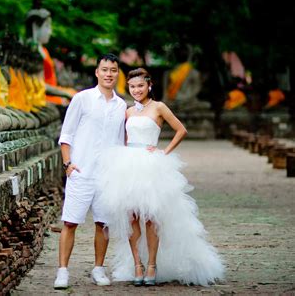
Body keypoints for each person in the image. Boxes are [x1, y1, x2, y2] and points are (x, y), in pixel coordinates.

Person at [95, 68, 224, 286]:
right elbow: (124, 138)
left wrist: (164, 151)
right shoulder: (127, 111)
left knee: (151, 217)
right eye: (132, 86)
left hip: (151, 163)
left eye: (140, 86)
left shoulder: (159, 107)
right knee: (131, 217)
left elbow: (181, 130)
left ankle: (152, 265)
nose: (136, 90)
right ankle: (137, 264)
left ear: (149, 86)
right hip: (128, 165)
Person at [54, 53, 127, 289]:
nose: (109, 74)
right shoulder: (82, 99)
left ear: (117, 73)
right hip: (81, 171)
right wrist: (68, 164)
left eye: (113, 70)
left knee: (103, 224)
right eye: (104, 69)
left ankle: (98, 268)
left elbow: (120, 142)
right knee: (70, 222)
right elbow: (67, 134)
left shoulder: (121, 105)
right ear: (97, 72)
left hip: (106, 175)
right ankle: (63, 271)